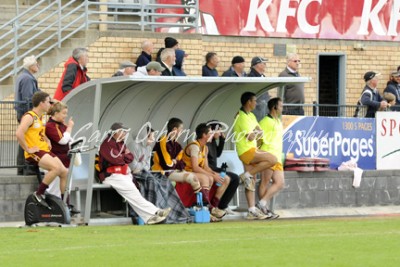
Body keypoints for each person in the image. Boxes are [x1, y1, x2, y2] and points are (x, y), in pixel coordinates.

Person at [97, 122, 171, 225]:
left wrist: (123, 157)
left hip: (123, 174)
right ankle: (156, 211)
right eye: (122, 131)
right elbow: (116, 160)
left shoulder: (121, 143)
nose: (124, 134)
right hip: (111, 175)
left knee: (135, 194)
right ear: (115, 132)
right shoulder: (106, 144)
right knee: (134, 193)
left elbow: (130, 157)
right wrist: (124, 157)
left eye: (125, 132)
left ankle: (149, 218)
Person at [15, 91, 68, 210]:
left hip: (44, 150)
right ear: (41, 103)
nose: (50, 104)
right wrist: (28, 149)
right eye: (48, 102)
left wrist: (47, 140)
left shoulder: (41, 117)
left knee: (64, 172)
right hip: (35, 152)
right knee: (56, 168)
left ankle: (65, 203)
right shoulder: (30, 116)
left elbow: (38, 133)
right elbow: (19, 133)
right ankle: (38, 194)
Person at [128, 126, 190, 223]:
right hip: (133, 174)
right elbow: (133, 167)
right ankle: (155, 212)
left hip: (144, 172)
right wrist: (141, 164)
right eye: (150, 137)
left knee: (164, 181)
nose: (153, 140)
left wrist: (141, 163)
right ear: (144, 136)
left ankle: (174, 212)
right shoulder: (133, 145)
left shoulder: (148, 147)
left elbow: (147, 166)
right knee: (152, 181)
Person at [233, 92, 277, 220]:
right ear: (248, 102)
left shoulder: (251, 115)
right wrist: (256, 133)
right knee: (272, 159)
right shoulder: (241, 116)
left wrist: (256, 133)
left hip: (251, 148)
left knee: (250, 181)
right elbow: (251, 135)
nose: (256, 103)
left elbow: (259, 131)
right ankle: (246, 175)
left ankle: (251, 210)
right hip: (246, 150)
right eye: (254, 101)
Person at [182, 123, 230, 221]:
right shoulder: (194, 146)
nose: (213, 134)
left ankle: (213, 207)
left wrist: (214, 174)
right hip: (186, 171)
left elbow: (206, 167)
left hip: (197, 172)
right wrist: (212, 176)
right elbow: (195, 167)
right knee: (207, 178)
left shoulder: (205, 148)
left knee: (225, 179)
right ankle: (207, 208)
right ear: (204, 135)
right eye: (211, 133)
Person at [45, 101, 80, 214]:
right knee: (55, 187)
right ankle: (53, 208)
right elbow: (63, 140)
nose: (65, 116)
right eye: (64, 113)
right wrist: (69, 128)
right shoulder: (50, 126)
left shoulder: (61, 125)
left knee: (66, 186)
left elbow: (69, 140)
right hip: (55, 159)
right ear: (56, 113)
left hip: (65, 159)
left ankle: (65, 206)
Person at [152, 118, 201, 194]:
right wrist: (175, 162)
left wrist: (174, 162)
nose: (182, 131)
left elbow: (182, 164)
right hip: (162, 172)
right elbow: (166, 165)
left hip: (172, 171)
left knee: (195, 177)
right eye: (181, 129)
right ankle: (200, 204)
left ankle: (200, 203)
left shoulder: (177, 145)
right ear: (175, 129)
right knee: (191, 178)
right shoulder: (162, 141)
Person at [258, 98, 285, 219]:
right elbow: (258, 138)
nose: (282, 108)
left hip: (277, 156)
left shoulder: (278, 121)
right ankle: (264, 209)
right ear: (274, 107)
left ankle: (262, 202)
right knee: (265, 181)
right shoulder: (265, 121)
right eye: (280, 106)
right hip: (268, 155)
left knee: (280, 183)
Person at [14, 55, 41, 175]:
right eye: (36, 64)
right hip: (26, 113)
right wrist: (32, 114)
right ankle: (25, 166)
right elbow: (29, 98)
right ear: (31, 66)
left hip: (23, 113)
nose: (38, 66)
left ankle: (22, 166)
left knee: (23, 138)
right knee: (26, 138)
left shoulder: (23, 76)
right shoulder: (28, 79)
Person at [206, 120, 240, 214]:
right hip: (210, 169)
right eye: (219, 130)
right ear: (212, 130)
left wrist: (222, 140)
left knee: (235, 178)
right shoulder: (206, 142)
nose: (221, 133)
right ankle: (221, 206)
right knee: (234, 178)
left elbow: (218, 154)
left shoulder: (212, 142)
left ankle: (223, 206)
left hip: (214, 168)